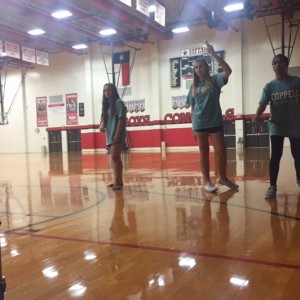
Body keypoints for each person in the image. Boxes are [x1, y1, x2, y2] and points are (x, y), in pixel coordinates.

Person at [186, 40, 238, 193]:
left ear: (206, 67)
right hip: (199, 124)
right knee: (204, 153)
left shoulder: (215, 80)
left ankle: (223, 177)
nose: (198, 69)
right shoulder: (193, 86)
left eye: (200, 66)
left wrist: (214, 54)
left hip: (215, 122)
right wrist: (192, 127)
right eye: (195, 67)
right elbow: (192, 106)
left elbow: (228, 71)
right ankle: (207, 182)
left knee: (221, 151)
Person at [253, 54, 300, 199]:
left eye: (281, 62)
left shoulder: (297, 82)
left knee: (297, 155)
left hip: (295, 124)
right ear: (272, 67)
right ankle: (272, 186)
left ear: (286, 65)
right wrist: (256, 117)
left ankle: (299, 179)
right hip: (277, 125)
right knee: (276, 155)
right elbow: (262, 104)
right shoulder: (269, 86)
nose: (277, 65)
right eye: (275, 63)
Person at [99, 83, 127, 190]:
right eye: (105, 91)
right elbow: (104, 121)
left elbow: (121, 119)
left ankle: (119, 182)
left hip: (116, 134)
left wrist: (117, 134)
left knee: (115, 157)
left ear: (114, 91)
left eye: (109, 90)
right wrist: (101, 125)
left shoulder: (118, 102)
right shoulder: (106, 106)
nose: (106, 92)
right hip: (109, 134)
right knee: (114, 158)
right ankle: (117, 181)